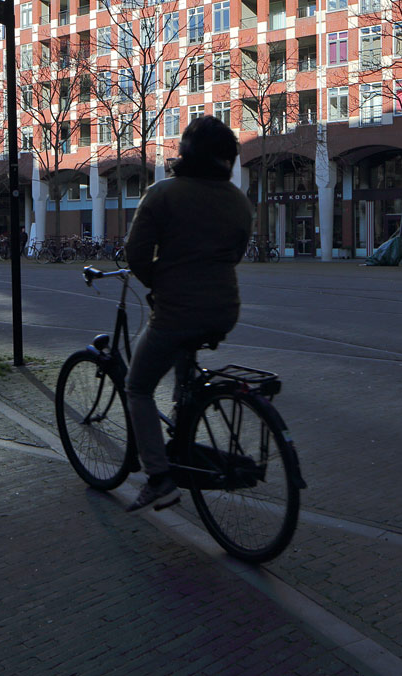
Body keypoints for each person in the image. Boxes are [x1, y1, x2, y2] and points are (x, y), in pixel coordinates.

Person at [120, 116, 254, 513]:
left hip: (177, 311)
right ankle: (185, 410)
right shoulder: (239, 202)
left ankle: (159, 477)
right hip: (224, 309)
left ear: (185, 153)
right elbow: (235, 253)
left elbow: (137, 256)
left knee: (138, 387)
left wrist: (158, 284)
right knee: (184, 352)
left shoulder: (162, 195)